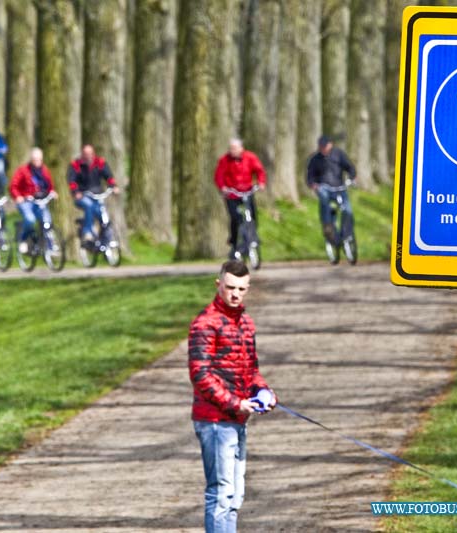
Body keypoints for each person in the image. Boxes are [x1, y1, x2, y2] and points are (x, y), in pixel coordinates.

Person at [188, 260, 277, 533]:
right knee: (221, 494)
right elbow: (200, 374)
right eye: (230, 287)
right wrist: (235, 402)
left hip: (238, 418)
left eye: (241, 288)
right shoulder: (205, 324)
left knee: (235, 495)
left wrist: (263, 391)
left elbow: (251, 370)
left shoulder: (246, 324)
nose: (235, 294)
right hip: (214, 421)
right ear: (219, 285)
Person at [214, 139, 267, 259]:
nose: (232, 151)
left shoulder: (250, 157)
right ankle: (234, 241)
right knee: (235, 218)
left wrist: (261, 183)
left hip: (247, 191)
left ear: (241, 148)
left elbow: (259, 171)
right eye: (231, 148)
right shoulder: (224, 160)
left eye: (235, 148)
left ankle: (253, 237)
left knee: (252, 215)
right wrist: (223, 187)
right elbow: (219, 175)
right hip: (232, 193)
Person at [306, 135, 357, 242]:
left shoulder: (339, 154)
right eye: (321, 147)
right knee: (324, 200)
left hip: (339, 188)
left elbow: (350, 167)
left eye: (325, 146)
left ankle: (347, 234)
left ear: (330, 145)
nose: (323, 149)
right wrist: (313, 184)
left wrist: (352, 177)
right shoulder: (315, 159)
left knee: (348, 211)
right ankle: (327, 225)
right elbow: (309, 175)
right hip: (324, 187)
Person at [67, 144, 119, 243]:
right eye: (86, 154)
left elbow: (109, 176)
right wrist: (76, 192)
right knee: (88, 205)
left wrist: (113, 186)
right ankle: (87, 232)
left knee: (102, 215)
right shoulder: (76, 165)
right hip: (83, 195)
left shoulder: (99, 163)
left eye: (90, 153)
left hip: (97, 195)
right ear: (82, 154)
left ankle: (105, 240)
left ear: (93, 153)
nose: (88, 156)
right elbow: (72, 181)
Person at [10, 147, 57, 253]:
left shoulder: (44, 170)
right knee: (30, 219)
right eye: (35, 160)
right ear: (31, 160)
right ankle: (23, 239)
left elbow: (49, 185)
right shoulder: (23, 170)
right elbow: (13, 186)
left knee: (47, 221)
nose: (37, 162)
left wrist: (52, 192)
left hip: (40, 200)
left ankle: (50, 246)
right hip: (26, 201)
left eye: (39, 160)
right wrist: (18, 196)